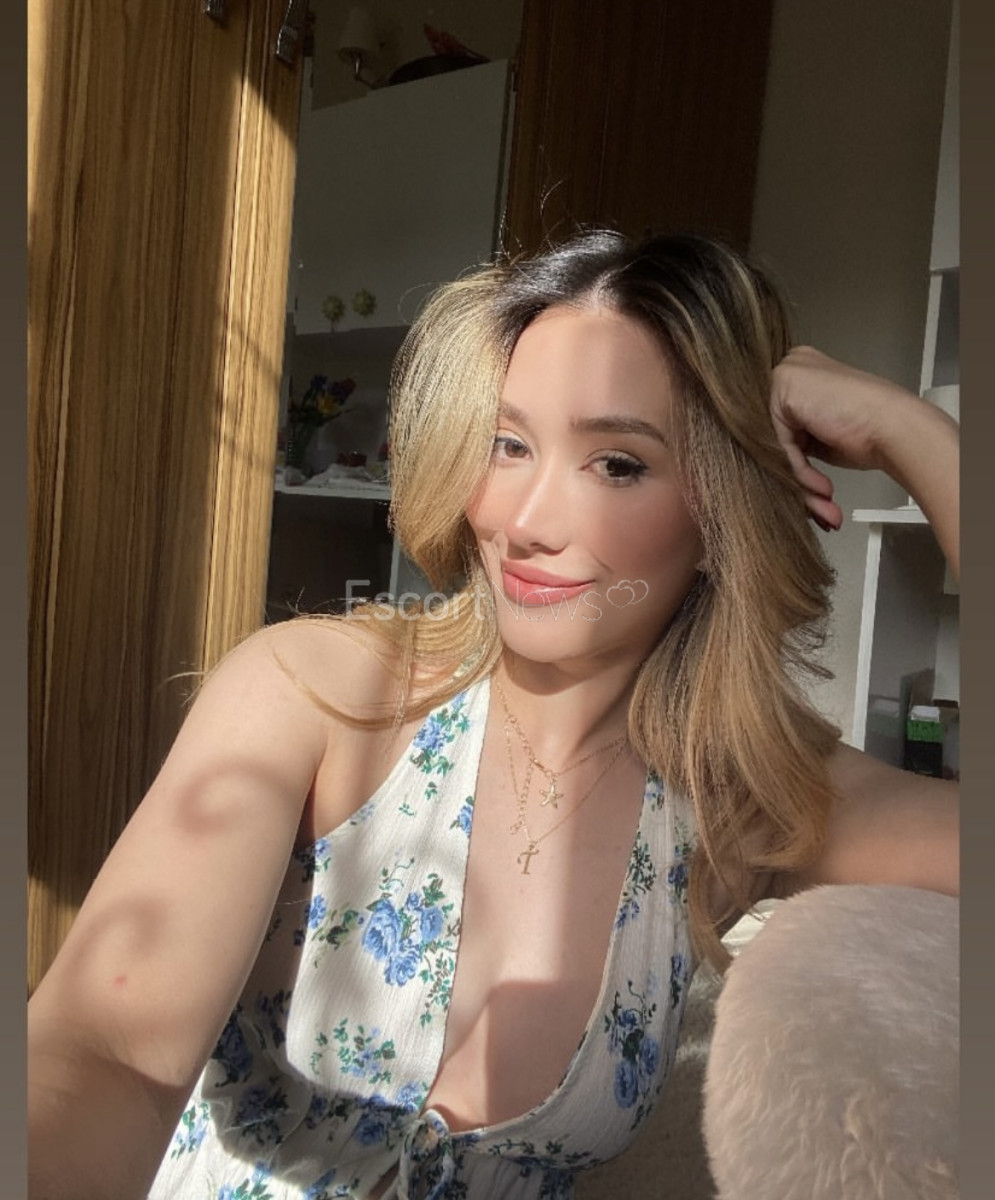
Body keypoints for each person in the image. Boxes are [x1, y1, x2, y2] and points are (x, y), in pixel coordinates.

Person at [28, 231, 959, 1200]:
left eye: (617, 464)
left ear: (720, 506)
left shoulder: (741, 796)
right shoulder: (316, 695)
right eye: (507, 445)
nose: (524, 522)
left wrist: (915, 435)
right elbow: (107, 1056)